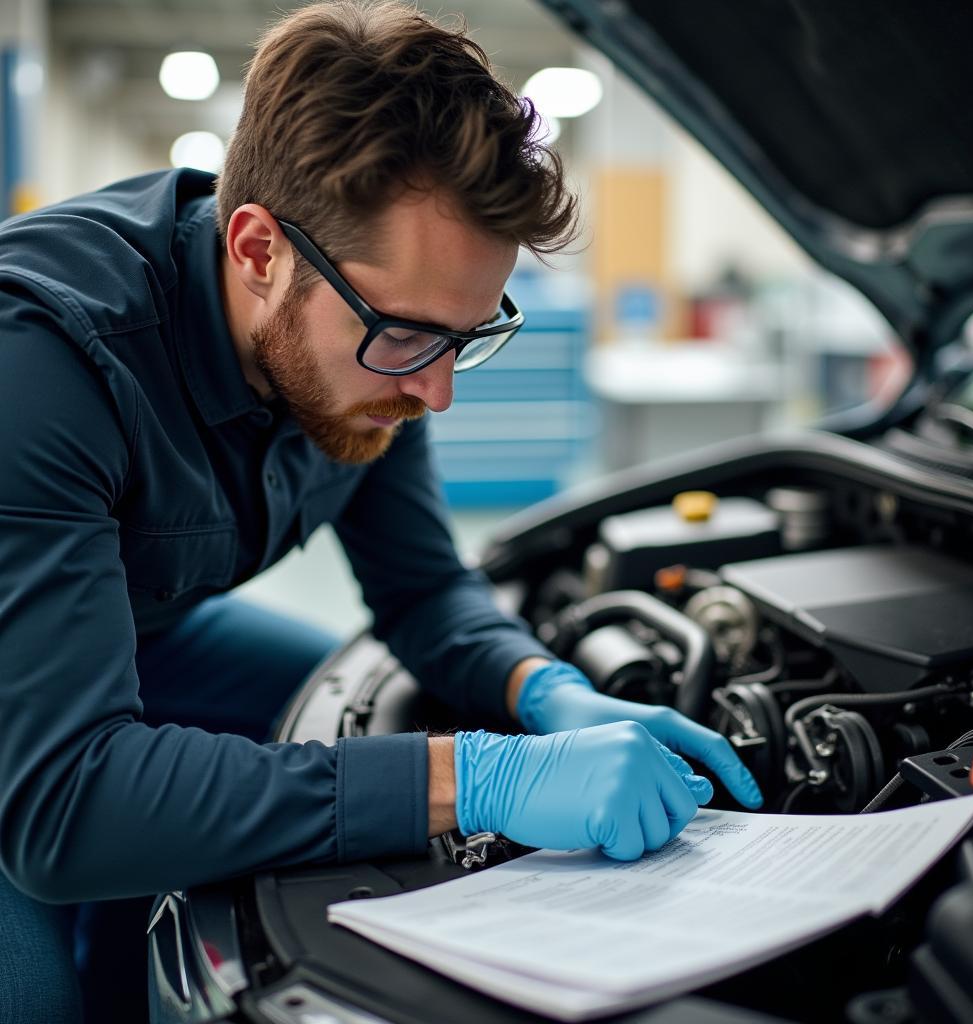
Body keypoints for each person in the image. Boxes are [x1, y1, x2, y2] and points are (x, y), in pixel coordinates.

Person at [0, 2, 762, 1021]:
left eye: (466, 335)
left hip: (135, 631)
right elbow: (67, 810)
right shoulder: (42, 363)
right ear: (259, 247)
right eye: (407, 335)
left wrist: (540, 688)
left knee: (327, 704)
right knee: (36, 993)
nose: (437, 391)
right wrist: (475, 775)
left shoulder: (364, 352)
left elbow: (424, 588)